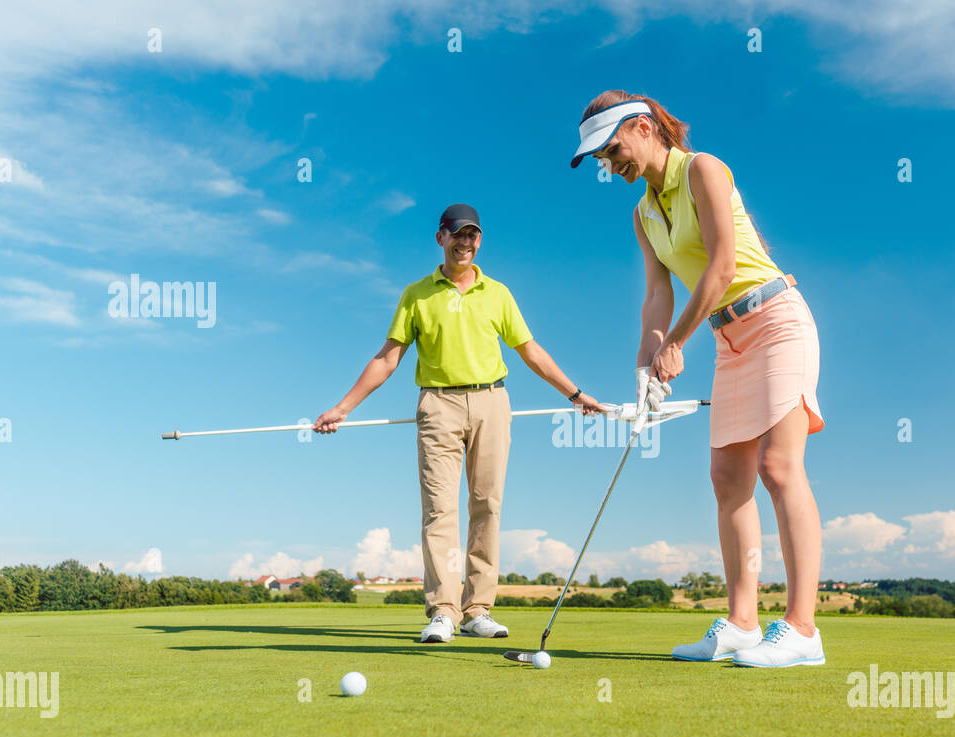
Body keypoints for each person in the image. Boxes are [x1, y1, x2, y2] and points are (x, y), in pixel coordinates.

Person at [572, 93, 826, 668]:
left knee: (779, 467)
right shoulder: (642, 214)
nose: (609, 166)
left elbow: (722, 268)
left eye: (612, 150)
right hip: (726, 339)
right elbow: (657, 296)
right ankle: (741, 623)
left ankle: (804, 630)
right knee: (727, 476)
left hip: (777, 321)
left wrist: (677, 345)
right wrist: (646, 366)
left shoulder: (704, 169)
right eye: (600, 160)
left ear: (643, 127)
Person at [315, 203, 603, 643]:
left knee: (487, 506)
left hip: (492, 401)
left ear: (479, 240)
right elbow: (388, 358)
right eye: (457, 234)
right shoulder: (416, 295)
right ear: (441, 238)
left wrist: (576, 395)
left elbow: (531, 352)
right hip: (437, 405)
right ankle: (444, 611)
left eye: (473, 235)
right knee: (440, 512)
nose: (465, 242)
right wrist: (343, 407)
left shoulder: (498, 293)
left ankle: (477, 610)